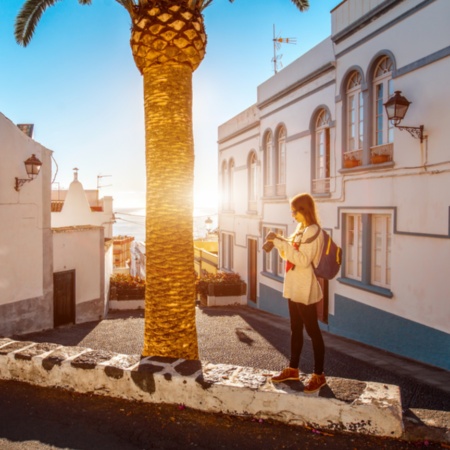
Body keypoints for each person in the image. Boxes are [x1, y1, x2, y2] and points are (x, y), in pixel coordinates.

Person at [265, 193, 326, 394]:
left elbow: (302, 260)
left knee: (313, 331)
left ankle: (319, 375)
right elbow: (290, 253)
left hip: (304, 287)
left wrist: (282, 244)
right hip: (294, 285)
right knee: (295, 328)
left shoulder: (314, 231)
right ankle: (293, 369)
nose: (292, 215)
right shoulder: (301, 229)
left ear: (303, 210)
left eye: (294, 211)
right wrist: (279, 243)